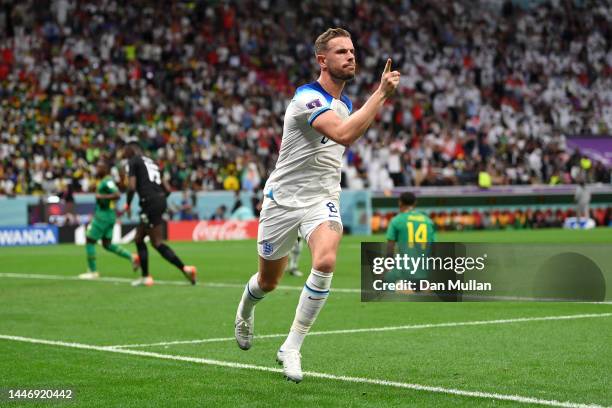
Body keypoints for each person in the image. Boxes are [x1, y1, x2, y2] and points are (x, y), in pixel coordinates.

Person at [233, 28, 400, 382]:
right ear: (322, 60)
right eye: (341, 51)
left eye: (352, 50)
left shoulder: (345, 105)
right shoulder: (306, 98)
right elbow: (343, 134)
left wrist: (375, 100)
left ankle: (291, 346)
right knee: (268, 282)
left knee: (325, 259)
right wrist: (381, 94)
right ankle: (246, 308)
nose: (351, 56)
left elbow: (348, 133)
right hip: (283, 200)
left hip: (322, 198)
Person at [122, 139, 197, 287]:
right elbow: (167, 190)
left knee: (156, 242)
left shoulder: (133, 161)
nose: (124, 153)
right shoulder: (153, 163)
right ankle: (151, 275)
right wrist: (159, 200)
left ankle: (181, 269)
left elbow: (131, 187)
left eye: (125, 150)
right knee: (140, 238)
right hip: (159, 200)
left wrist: (128, 204)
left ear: (132, 149)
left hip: (149, 202)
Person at [79, 160, 140, 280]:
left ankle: (93, 271)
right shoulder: (103, 181)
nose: (97, 169)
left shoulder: (107, 181)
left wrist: (101, 196)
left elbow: (117, 195)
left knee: (89, 239)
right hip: (109, 215)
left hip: (103, 215)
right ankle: (132, 257)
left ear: (105, 169)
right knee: (107, 244)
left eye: (99, 167)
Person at [384, 192, 436, 291]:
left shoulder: (397, 220)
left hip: (405, 269)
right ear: (415, 203)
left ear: (400, 203)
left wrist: (387, 267)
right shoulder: (428, 221)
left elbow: (390, 247)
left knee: (386, 286)